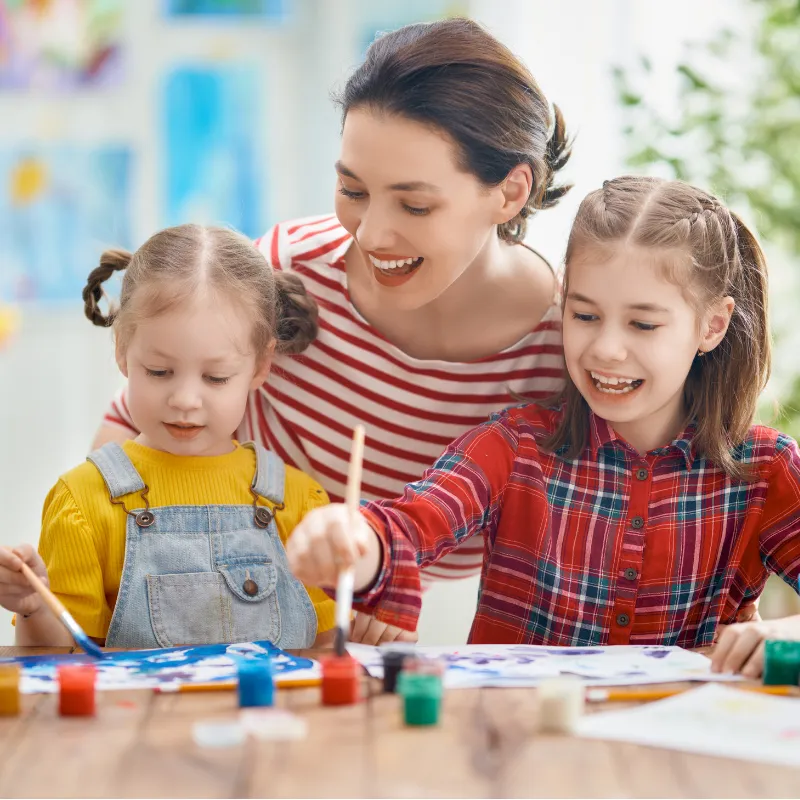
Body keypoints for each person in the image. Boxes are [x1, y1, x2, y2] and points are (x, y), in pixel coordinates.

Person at [88, 18, 570, 643]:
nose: (369, 235)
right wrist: (100, 560)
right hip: (210, 606)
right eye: (352, 189)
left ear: (510, 192)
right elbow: (138, 418)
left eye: (415, 205)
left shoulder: (562, 351)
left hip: (426, 645)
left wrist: (381, 579)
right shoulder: (293, 266)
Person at [285, 176, 798, 678]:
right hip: (515, 744)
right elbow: (412, 523)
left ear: (712, 325)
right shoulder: (514, 445)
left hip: (681, 753)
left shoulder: (767, 469)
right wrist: (356, 540)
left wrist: (785, 633)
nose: (605, 349)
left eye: (643, 324)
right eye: (584, 315)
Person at [0, 224, 336, 649]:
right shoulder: (82, 502)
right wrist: (34, 605)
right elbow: (55, 662)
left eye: (215, 378)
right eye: (159, 372)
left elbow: (326, 652)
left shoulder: (300, 502)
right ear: (122, 348)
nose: (185, 400)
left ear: (260, 367)